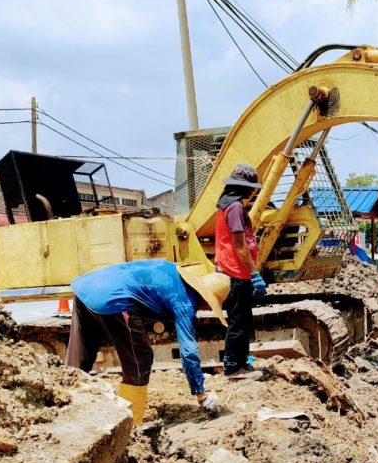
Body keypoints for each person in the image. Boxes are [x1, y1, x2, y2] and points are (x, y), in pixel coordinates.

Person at [65, 259, 229, 425]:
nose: (206, 310)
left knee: (79, 356)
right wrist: (200, 393)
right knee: (140, 359)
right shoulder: (184, 302)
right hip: (112, 298)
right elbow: (188, 351)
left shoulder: (172, 271)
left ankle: (65, 407)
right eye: (210, 306)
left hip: (85, 288)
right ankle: (131, 424)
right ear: (206, 299)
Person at [214, 163, 266, 378]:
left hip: (233, 270)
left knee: (242, 319)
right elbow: (239, 244)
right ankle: (234, 367)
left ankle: (241, 363)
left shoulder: (226, 204)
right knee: (238, 321)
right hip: (236, 272)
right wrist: (254, 273)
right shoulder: (235, 208)